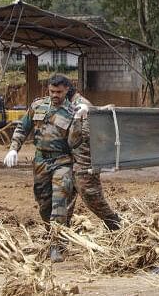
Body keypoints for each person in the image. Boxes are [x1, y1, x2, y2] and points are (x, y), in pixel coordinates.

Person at [3, 74, 75, 262]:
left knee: (59, 202)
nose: (55, 95)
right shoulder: (38, 106)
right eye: (52, 91)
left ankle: (56, 245)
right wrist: (13, 150)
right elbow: (22, 128)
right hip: (41, 161)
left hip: (63, 162)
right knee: (44, 204)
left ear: (67, 90)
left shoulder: (73, 112)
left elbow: (82, 142)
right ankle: (56, 232)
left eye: (59, 92)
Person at [64, 82, 121, 231]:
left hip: (83, 164)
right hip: (72, 162)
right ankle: (61, 231)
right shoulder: (71, 105)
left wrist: (83, 167)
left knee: (92, 198)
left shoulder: (81, 105)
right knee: (64, 199)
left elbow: (84, 140)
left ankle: (116, 225)